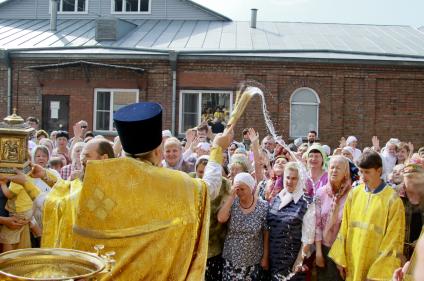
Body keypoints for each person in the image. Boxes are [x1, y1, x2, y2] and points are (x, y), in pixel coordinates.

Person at [51, 102, 233, 280]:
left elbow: (61, 203)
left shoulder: (101, 181)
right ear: (156, 151)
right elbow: (209, 188)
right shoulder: (172, 183)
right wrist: (217, 149)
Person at [329, 151, 405, 281]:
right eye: (361, 172)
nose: (363, 176)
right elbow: (345, 227)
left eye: (367, 172)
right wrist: (340, 258)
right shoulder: (355, 193)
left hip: (375, 265)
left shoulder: (392, 200)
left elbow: (393, 239)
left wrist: (378, 271)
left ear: (379, 170)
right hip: (352, 259)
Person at [267, 162, 315, 281]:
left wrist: (299, 260)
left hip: (292, 260)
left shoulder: (307, 202)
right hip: (273, 257)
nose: (290, 181)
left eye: (294, 178)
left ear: (300, 180)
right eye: (288, 177)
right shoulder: (277, 198)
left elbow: (308, 237)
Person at [218, 172, 269, 281]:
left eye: (242, 189)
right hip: (232, 260)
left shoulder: (263, 206)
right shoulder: (232, 203)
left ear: (251, 188)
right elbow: (221, 219)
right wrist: (231, 197)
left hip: (253, 260)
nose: (239, 192)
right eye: (237, 189)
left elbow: (266, 232)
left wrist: (265, 257)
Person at [190, 156, 232, 281]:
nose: (203, 177)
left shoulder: (224, 184)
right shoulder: (190, 181)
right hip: (193, 247)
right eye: (200, 172)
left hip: (214, 245)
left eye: (206, 172)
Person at [315, 156, 352, 281]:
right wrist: (319, 252)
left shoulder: (352, 194)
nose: (334, 170)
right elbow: (317, 224)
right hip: (325, 248)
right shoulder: (320, 193)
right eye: (332, 167)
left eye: (338, 168)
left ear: (345, 172)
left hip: (345, 250)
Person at [392, 164, 424, 281]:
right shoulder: (394, 196)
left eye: (416, 178)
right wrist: (399, 254)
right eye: (408, 177)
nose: (412, 182)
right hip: (398, 251)